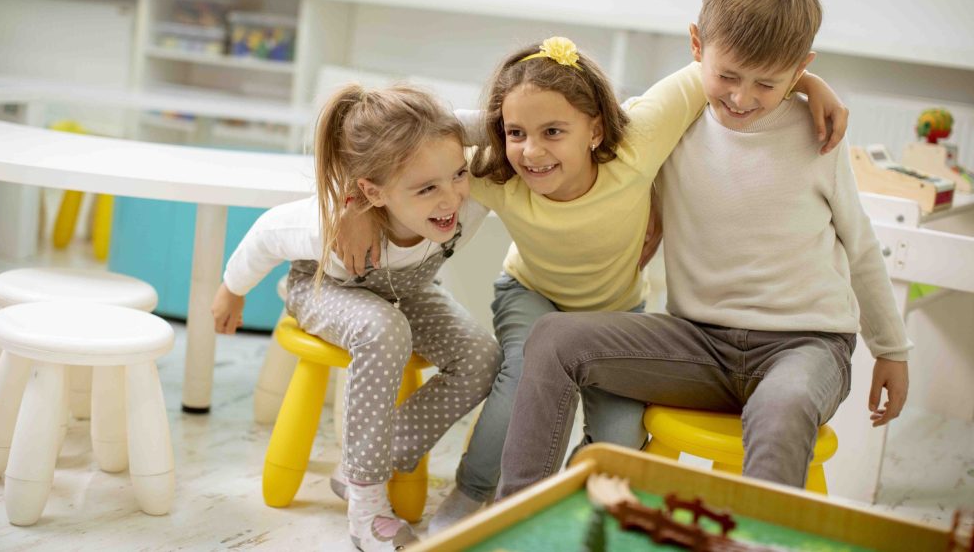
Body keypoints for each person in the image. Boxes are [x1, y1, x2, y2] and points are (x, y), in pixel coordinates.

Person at [336, 36, 849, 531]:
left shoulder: (638, 144)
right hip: (530, 294)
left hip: (616, 314)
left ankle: (567, 502)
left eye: (553, 131)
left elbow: (719, 70)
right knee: (520, 377)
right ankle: (473, 491)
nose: (532, 151)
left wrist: (805, 83)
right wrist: (355, 203)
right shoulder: (497, 173)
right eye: (515, 132)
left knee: (621, 438)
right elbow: (411, 148)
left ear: (596, 130)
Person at [497, 0, 911, 499]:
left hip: (805, 345)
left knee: (782, 405)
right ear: (696, 45)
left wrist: (891, 349)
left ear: (800, 68)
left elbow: (861, 247)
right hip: (697, 345)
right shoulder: (668, 126)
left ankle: (751, 536)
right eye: (728, 77)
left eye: (767, 83)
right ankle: (519, 509)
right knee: (552, 338)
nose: (741, 98)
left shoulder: (818, 135)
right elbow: (567, 126)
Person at [212, 84, 502, 552]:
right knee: (385, 329)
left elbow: (504, 127)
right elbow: (266, 234)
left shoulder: (465, 204)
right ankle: (366, 506)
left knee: (482, 356)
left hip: (406, 293)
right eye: (427, 188)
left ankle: (359, 465)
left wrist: (447, 126)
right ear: (372, 191)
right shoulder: (328, 222)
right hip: (326, 289)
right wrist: (231, 291)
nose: (450, 198)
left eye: (458, 174)